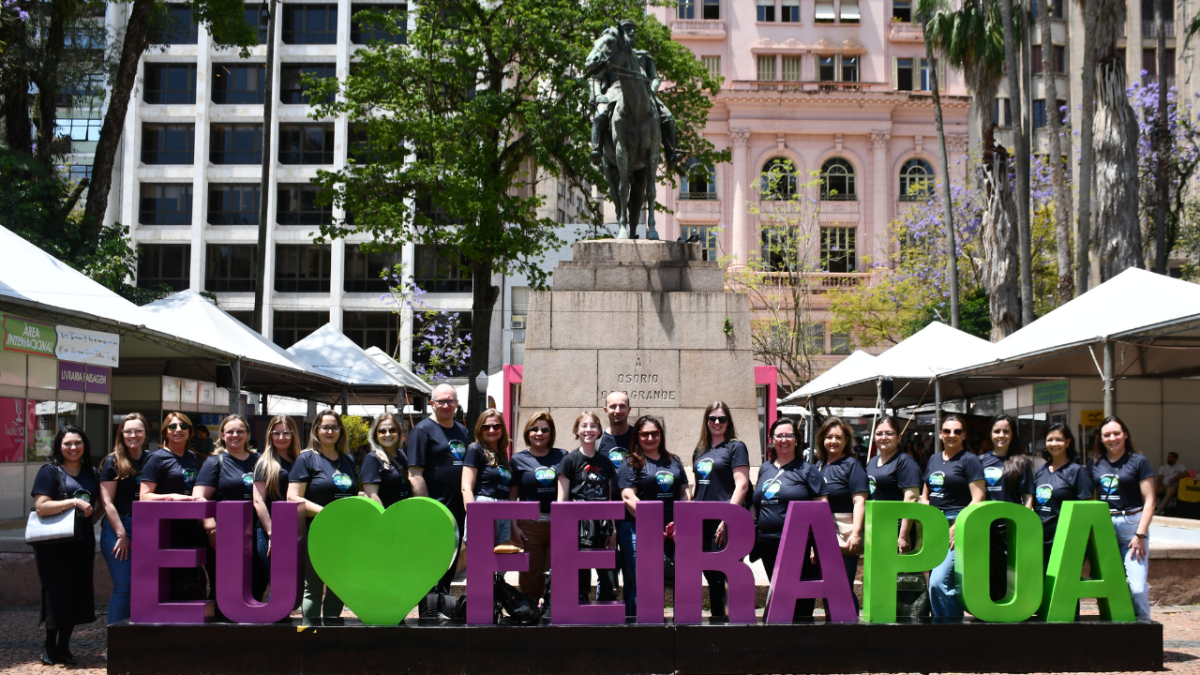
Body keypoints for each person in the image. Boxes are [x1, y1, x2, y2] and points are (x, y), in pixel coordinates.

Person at [31, 426, 100, 665]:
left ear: (84, 446)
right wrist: (73, 502)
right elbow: (41, 506)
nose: (73, 448)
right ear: (59, 446)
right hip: (54, 542)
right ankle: (49, 646)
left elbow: (99, 500)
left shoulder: (91, 472)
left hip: (82, 540)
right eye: (67, 444)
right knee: (56, 592)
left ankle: (64, 645)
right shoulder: (49, 472)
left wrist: (95, 515)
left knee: (77, 591)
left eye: (77, 443)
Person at [617, 415, 691, 620]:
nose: (650, 437)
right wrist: (651, 525)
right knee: (639, 582)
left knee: (679, 579)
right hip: (638, 529)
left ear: (661, 435)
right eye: (645, 434)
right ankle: (638, 632)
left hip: (673, 530)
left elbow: (684, 491)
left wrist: (682, 522)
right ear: (637, 436)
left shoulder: (674, 461)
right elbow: (627, 496)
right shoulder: (630, 462)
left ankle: (676, 632)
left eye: (654, 433)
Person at [752, 417, 826, 621]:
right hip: (768, 543)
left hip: (799, 544)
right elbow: (756, 504)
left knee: (800, 599)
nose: (784, 440)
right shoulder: (765, 468)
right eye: (779, 436)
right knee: (780, 595)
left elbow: (822, 505)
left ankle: (803, 644)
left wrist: (817, 543)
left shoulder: (807, 470)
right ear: (772, 440)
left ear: (796, 439)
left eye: (788, 435)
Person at [288, 409, 359, 619]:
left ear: (340, 431)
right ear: (316, 430)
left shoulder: (347, 460)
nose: (330, 431)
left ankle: (330, 638)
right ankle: (309, 639)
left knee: (339, 588)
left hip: (345, 533)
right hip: (317, 530)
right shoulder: (306, 459)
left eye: (334, 427)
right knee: (314, 587)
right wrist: (328, 513)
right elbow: (292, 496)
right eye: (325, 427)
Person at [1088, 415, 1155, 620]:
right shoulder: (1095, 463)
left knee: (1137, 588)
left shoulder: (1138, 461)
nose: (1112, 438)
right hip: (1104, 526)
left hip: (1132, 526)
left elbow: (1150, 501)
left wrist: (1140, 535)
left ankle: (1143, 625)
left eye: (1116, 433)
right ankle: (1121, 631)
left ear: (1125, 434)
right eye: (1107, 434)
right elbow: (1089, 498)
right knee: (1114, 585)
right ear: (1101, 438)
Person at [407, 383, 471, 598]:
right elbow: (415, 474)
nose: (446, 405)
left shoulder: (462, 430)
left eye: (450, 401)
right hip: (435, 511)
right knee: (430, 568)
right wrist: (427, 510)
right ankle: (428, 616)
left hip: (457, 512)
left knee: (450, 565)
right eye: (441, 401)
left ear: (456, 403)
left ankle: (441, 611)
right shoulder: (422, 430)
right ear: (432, 404)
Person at [920, 413, 986, 618]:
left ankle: (948, 636)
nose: (952, 435)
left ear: (964, 435)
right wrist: (925, 506)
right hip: (934, 525)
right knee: (939, 583)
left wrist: (958, 525)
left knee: (939, 581)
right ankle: (947, 633)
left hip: (956, 525)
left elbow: (978, 497)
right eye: (947, 431)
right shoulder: (933, 459)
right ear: (940, 434)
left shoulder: (970, 460)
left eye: (957, 431)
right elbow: (926, 490)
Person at [690, 401, 750, 619]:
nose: (717, 422)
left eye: (722, 418)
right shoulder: (700, 450)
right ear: (706, 421)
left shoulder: (736, 447)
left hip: (725, 522)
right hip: (700, 523)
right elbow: (698, 486)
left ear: (728, 422)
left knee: (726, 576)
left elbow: (742, 485)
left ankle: (731, 626)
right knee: (711, 577)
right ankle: (718, 623)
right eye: (712, 418)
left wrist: (727, 520)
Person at [193, 414, 262, 602]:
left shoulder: (260, 460)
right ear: (222, 435)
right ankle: (221, 628)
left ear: (247, 434)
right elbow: (198, 497)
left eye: (240, 431)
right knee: (223, 588)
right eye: (230, 431)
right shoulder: (214, 462)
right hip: (224, 536)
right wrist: (211, 528)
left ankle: (250, 626)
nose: (235, 435)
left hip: (256, 534)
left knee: (256, 584)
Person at [140, 412, 204, 601]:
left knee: (188, 576)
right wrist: (172, 497)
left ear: (190, 432)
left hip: (190, 526)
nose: (178, 430)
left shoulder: (192, 457)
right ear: (165, 432)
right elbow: (144, 496)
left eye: (183, 426)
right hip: (166, 528)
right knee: (171, 577)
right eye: (172, 427)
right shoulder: (157, 458)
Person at [557, 411, 619, 603]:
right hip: (578, 526)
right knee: (580, 581)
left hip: (602, 526)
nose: (588, 430)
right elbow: (562, 499)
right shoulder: (569, 460)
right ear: (577, 430)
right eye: (584, 426)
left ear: (599, 431)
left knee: (609, 581)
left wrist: (613, 529)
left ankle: (605, 618)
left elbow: (609, 500)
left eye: (593, 426)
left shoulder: (606, 463)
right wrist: (565, 530)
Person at [98, 413, 149, 627]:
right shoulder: (113, 461)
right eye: (128, 431)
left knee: (144, 586)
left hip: (146, 527)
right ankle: (114, 646)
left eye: (138, 430)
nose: (133, 435)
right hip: (119, 527)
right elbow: (107, 502)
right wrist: (122, 534)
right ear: (121, 434)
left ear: (145, 434)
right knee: (124, 587)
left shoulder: (151, 459)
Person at [510, 412, 567, 603]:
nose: (539, 433)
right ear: (528, 432)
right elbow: (512, 496)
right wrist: (513, 525)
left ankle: (550, 619)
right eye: (534, 428)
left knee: (553, 576)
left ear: (551, 433)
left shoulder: (562, 456)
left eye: (544, 429)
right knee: (530, 577)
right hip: (530, 526)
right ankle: (528, 618)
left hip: (557, 525)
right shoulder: (518, 459)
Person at [816, 417, 869, 614]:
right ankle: (834, 629)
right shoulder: (818, 466)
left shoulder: (852, 465)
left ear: (847, 440)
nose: (833, 441)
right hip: (823, 532)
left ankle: (849, 629)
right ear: (822, 439)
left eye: (838, 437)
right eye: (829, 437)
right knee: (828, 587)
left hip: (845, 534)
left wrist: (856, 534)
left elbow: (859, 502)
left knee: (842, 586)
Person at [980, 414, 1035, 602]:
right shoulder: (979, 461)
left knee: (1009, 573)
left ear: (1012, 435)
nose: (1001, 435)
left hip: (1010, 529)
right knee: (986, 574)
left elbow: (1027, 497)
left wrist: (1026, 524)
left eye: (1006, 431)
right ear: (990, 434)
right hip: (985, 528)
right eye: (997, 431)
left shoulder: (1021, 462)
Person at [253, 414, 302, 596]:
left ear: (293, 435)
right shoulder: (264, 464)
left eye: (286, 433)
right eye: (276, 433)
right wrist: (272, 533)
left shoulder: (301, 462)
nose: (281, 438)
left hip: (296, 530)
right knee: (280, 586)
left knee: (294, 586)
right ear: (270, 435)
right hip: (269, 533)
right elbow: (258, 501)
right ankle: (270, 623)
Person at [1035, 424, 1093, 567]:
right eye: (1050, 440)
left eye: (1059, 439)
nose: (1054, 444)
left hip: (1065, 541)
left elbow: (1086, 511)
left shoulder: (1078, 471)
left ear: (1068, 442)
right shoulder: (1040, 471)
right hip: (1039, 541)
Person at [866, 417, 923, 550]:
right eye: (879, 433)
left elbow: (911, 498)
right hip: (878, 527)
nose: (883, 437)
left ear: (899, 437)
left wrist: (903, 534)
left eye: (889, 433)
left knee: (904, 571)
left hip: (897, 529)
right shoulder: (872, 462)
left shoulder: (905, 462)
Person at [462, 409, 514, 546]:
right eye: (486, 427)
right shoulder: (475, 449)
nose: (491, 430)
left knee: (502, 563)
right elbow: (466, 488)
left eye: (496, 426)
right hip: (483, 507)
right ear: (480, 429)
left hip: (504, 511)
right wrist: (475, 515)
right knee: (482, 562)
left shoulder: (503, 455)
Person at [361, 412, 412, 508]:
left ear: (399, 432)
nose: (388, 434)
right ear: (375, 435)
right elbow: (371, 496)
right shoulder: (372, 459)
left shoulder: (402, 456)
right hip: (386, 519)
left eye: (392, 430)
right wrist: (386, 520)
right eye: (382, 431)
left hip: (405, 516)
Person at [598, 391, 634, 471]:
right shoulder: (597, 441)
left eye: (622, 406)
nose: (617, 411)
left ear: (629, 409)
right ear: (605, 410)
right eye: (613, 406)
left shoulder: (640, 438)